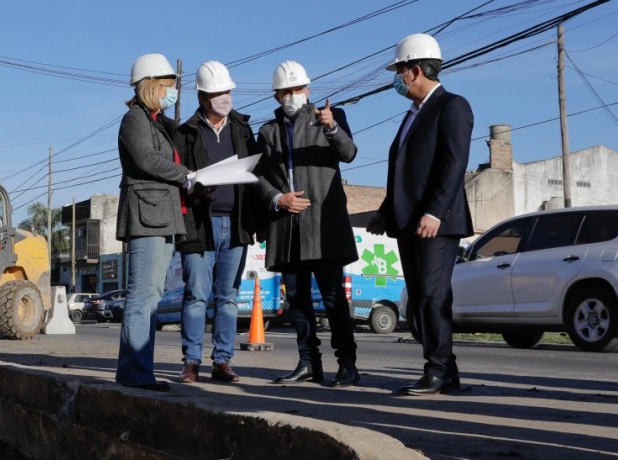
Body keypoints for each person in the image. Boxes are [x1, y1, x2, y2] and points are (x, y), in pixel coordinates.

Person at [367, 33, 474, 396]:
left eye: (399, 70)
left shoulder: (452, 106)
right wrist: (385, 212)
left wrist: (435, 212)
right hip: (409, 223)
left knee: (432, 295)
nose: (397, 79)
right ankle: (446, 370)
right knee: (420, 296)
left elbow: (453, 165)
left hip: (435, 224)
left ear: (415, 70)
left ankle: (438, 369)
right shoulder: (412, 114)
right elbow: (405, 171)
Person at [255, 60, 359, 387]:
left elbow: (349, 153)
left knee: (333, 299)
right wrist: (278, 198)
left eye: (297, 89)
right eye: (285, 91)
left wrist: (332, 128)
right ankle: (308, 362)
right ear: (276, 95)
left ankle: (347, 363)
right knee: (297, 301)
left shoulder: (329, 117)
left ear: (308, 89)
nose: (292, 95)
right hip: (287, 227)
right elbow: (258, 176)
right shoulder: (268, 132)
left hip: (323, 225)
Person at [173, 61, 258, 384]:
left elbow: (255, 173)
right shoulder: (186, 133)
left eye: (227, 92)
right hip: (199, 224)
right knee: (196, 295)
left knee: (228, 297)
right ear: (202, 97)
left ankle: (223, 361)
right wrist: (193, 183)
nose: (224, 98)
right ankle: (191, 362)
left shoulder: (242, 129)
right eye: (216, 93)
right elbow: (176, 177)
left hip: (235, 225)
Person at [115, 53, 190, 392]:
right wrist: (186, 175)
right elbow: (146, 159)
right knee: (142, 294)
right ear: (150, 86)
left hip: (162, 217)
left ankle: (140, 370)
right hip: (146, 216)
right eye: (166, 86)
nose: (171, 93)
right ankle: (134, 372)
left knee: (153, 294)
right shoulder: (135, 119)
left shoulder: (157, 122)